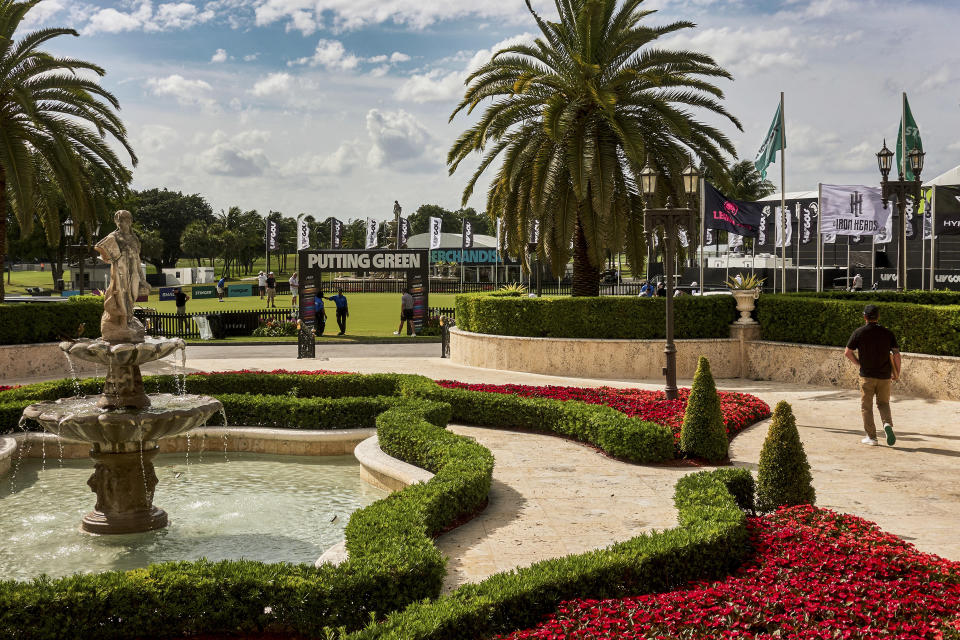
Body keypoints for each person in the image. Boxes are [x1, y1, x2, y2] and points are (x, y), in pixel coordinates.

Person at [844, 304, 900, 447]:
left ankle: (872, 437)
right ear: (878, 317)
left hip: (867, 376)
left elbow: (848, 352)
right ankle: (887, 424)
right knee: (884, 404)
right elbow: (896, 354)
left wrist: (858, 364)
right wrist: (896, 372)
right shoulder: (888, 333)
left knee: (866, 407)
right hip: (885, 376)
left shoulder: (859, 332)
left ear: (865, 317)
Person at [94, 210, 151, 342]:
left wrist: (142, 279)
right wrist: (110, 257)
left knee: (132, 296)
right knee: (121, 295)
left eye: (124, 219)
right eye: (118, 220)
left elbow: (137, 259)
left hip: (133, 272)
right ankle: (123, 323)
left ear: (130, 221)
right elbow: (102, 250)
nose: (121, 222)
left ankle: (129, 319)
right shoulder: (113, 236)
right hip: (120, 271)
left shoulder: (134, 239)